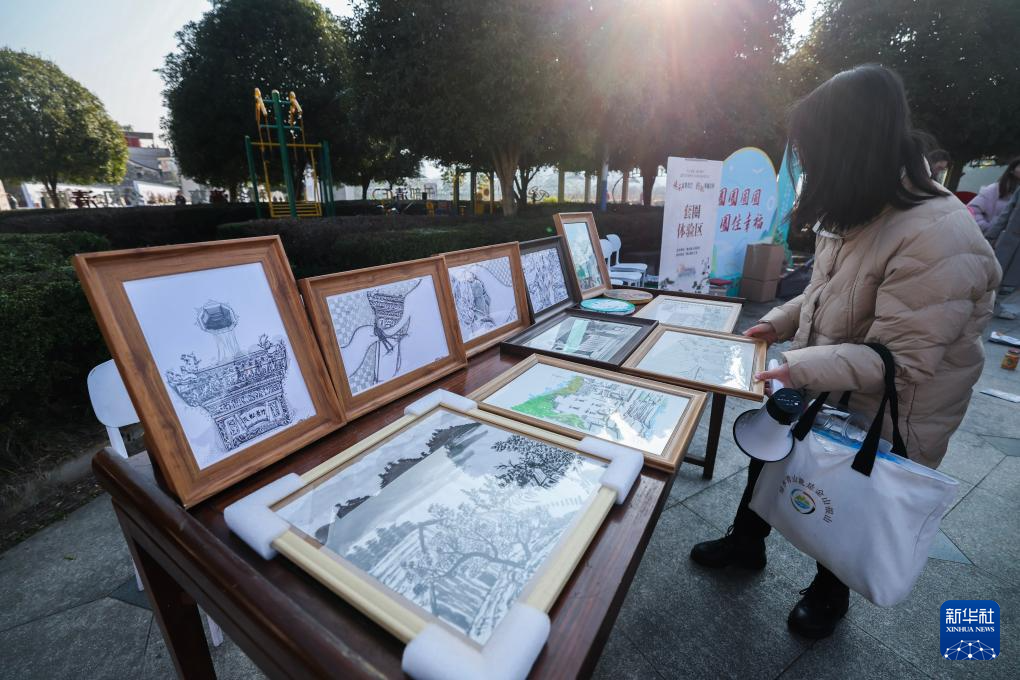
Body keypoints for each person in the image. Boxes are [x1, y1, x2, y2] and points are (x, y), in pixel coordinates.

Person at [689, 64, 1001, 640]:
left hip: (892, 408)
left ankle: (830, 592)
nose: (807, 166)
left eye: (813, 152)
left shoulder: (936, 232)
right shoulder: (860, 207)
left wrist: (797, 366)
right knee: (772, 452)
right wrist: (775, 324)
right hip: (824, 378)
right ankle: (746, 542)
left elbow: (900, 362)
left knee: (849, 492)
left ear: (852, 148)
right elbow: (822, 291)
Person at [968, 158, 1020, 234]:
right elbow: (971, 211)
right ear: (1012, 170)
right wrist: (987, 228)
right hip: (992, 238)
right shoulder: (995, 189)